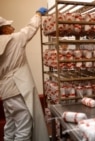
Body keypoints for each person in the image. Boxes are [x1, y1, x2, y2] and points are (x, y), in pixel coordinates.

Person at [0, 7, 50, 141]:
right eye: (9, 26)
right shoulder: (14, 40)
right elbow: (31, 28)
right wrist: (38, 14)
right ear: (3, 30)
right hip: (17, 89)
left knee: (11, 123)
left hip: (5, 91)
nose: (12, 28)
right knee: (24, 123)